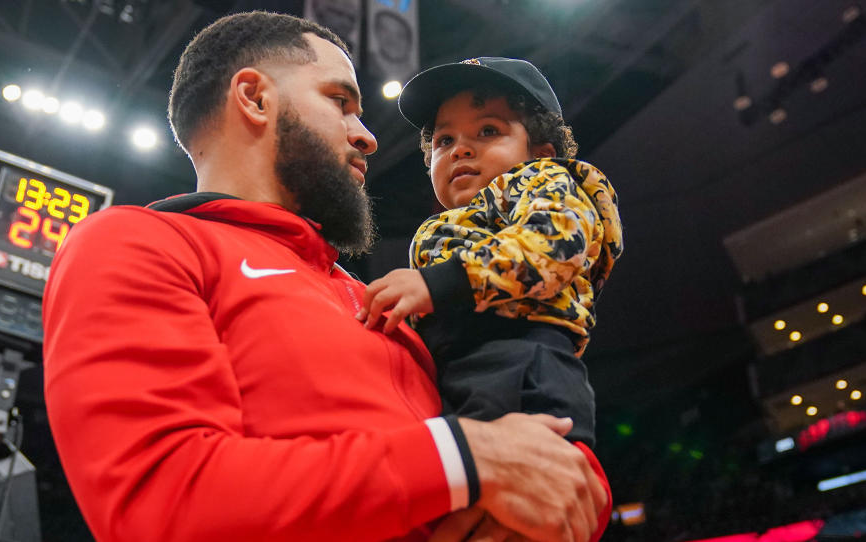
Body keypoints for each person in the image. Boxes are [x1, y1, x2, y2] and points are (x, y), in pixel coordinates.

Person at [42, 11, 610, 542]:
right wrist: (468, 458)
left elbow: (536, 450)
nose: (367, 135)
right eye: (340, 101)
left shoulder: (375, 297)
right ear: (254, 97)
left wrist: (563, 480)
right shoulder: (135, 241)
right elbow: (163, 502)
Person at [358, 57, 624, 449]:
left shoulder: (542, 178)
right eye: (444, 140)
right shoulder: (449, 226)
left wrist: (439, 283)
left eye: (487, 130)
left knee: (527, 495)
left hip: (524, 366)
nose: (461, 149)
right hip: (460, 381)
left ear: (541, 153)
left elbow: (556, 241)